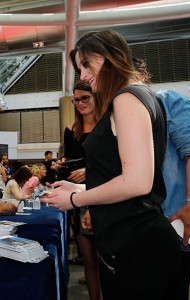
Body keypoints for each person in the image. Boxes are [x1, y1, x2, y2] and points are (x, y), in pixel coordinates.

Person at [43, 29, 181, 299]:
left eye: (86, 64)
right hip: (139, 242)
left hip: (137, 246)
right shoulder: (142, 96)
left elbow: (138, 182)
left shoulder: (126, 99)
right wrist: (83, 190)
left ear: (109, 56)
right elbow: (125, 175)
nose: (82, 75)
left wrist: (74, 199)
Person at [134, 57, 190, 300]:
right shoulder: (117, 117)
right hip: (142, 228)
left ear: (141, 76)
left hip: (178, 222)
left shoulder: (168, 101)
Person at [64, 80, 102, 300]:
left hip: (106, 194)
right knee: (90, 261)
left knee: (107, 259)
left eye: (84, 98)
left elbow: (116, 163)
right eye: (76, 100)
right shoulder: (71, 130)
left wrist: (89, 170)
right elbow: (71, 163)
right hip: (78, 198)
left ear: (95, 96)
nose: (79, 103)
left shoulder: (108, 124)